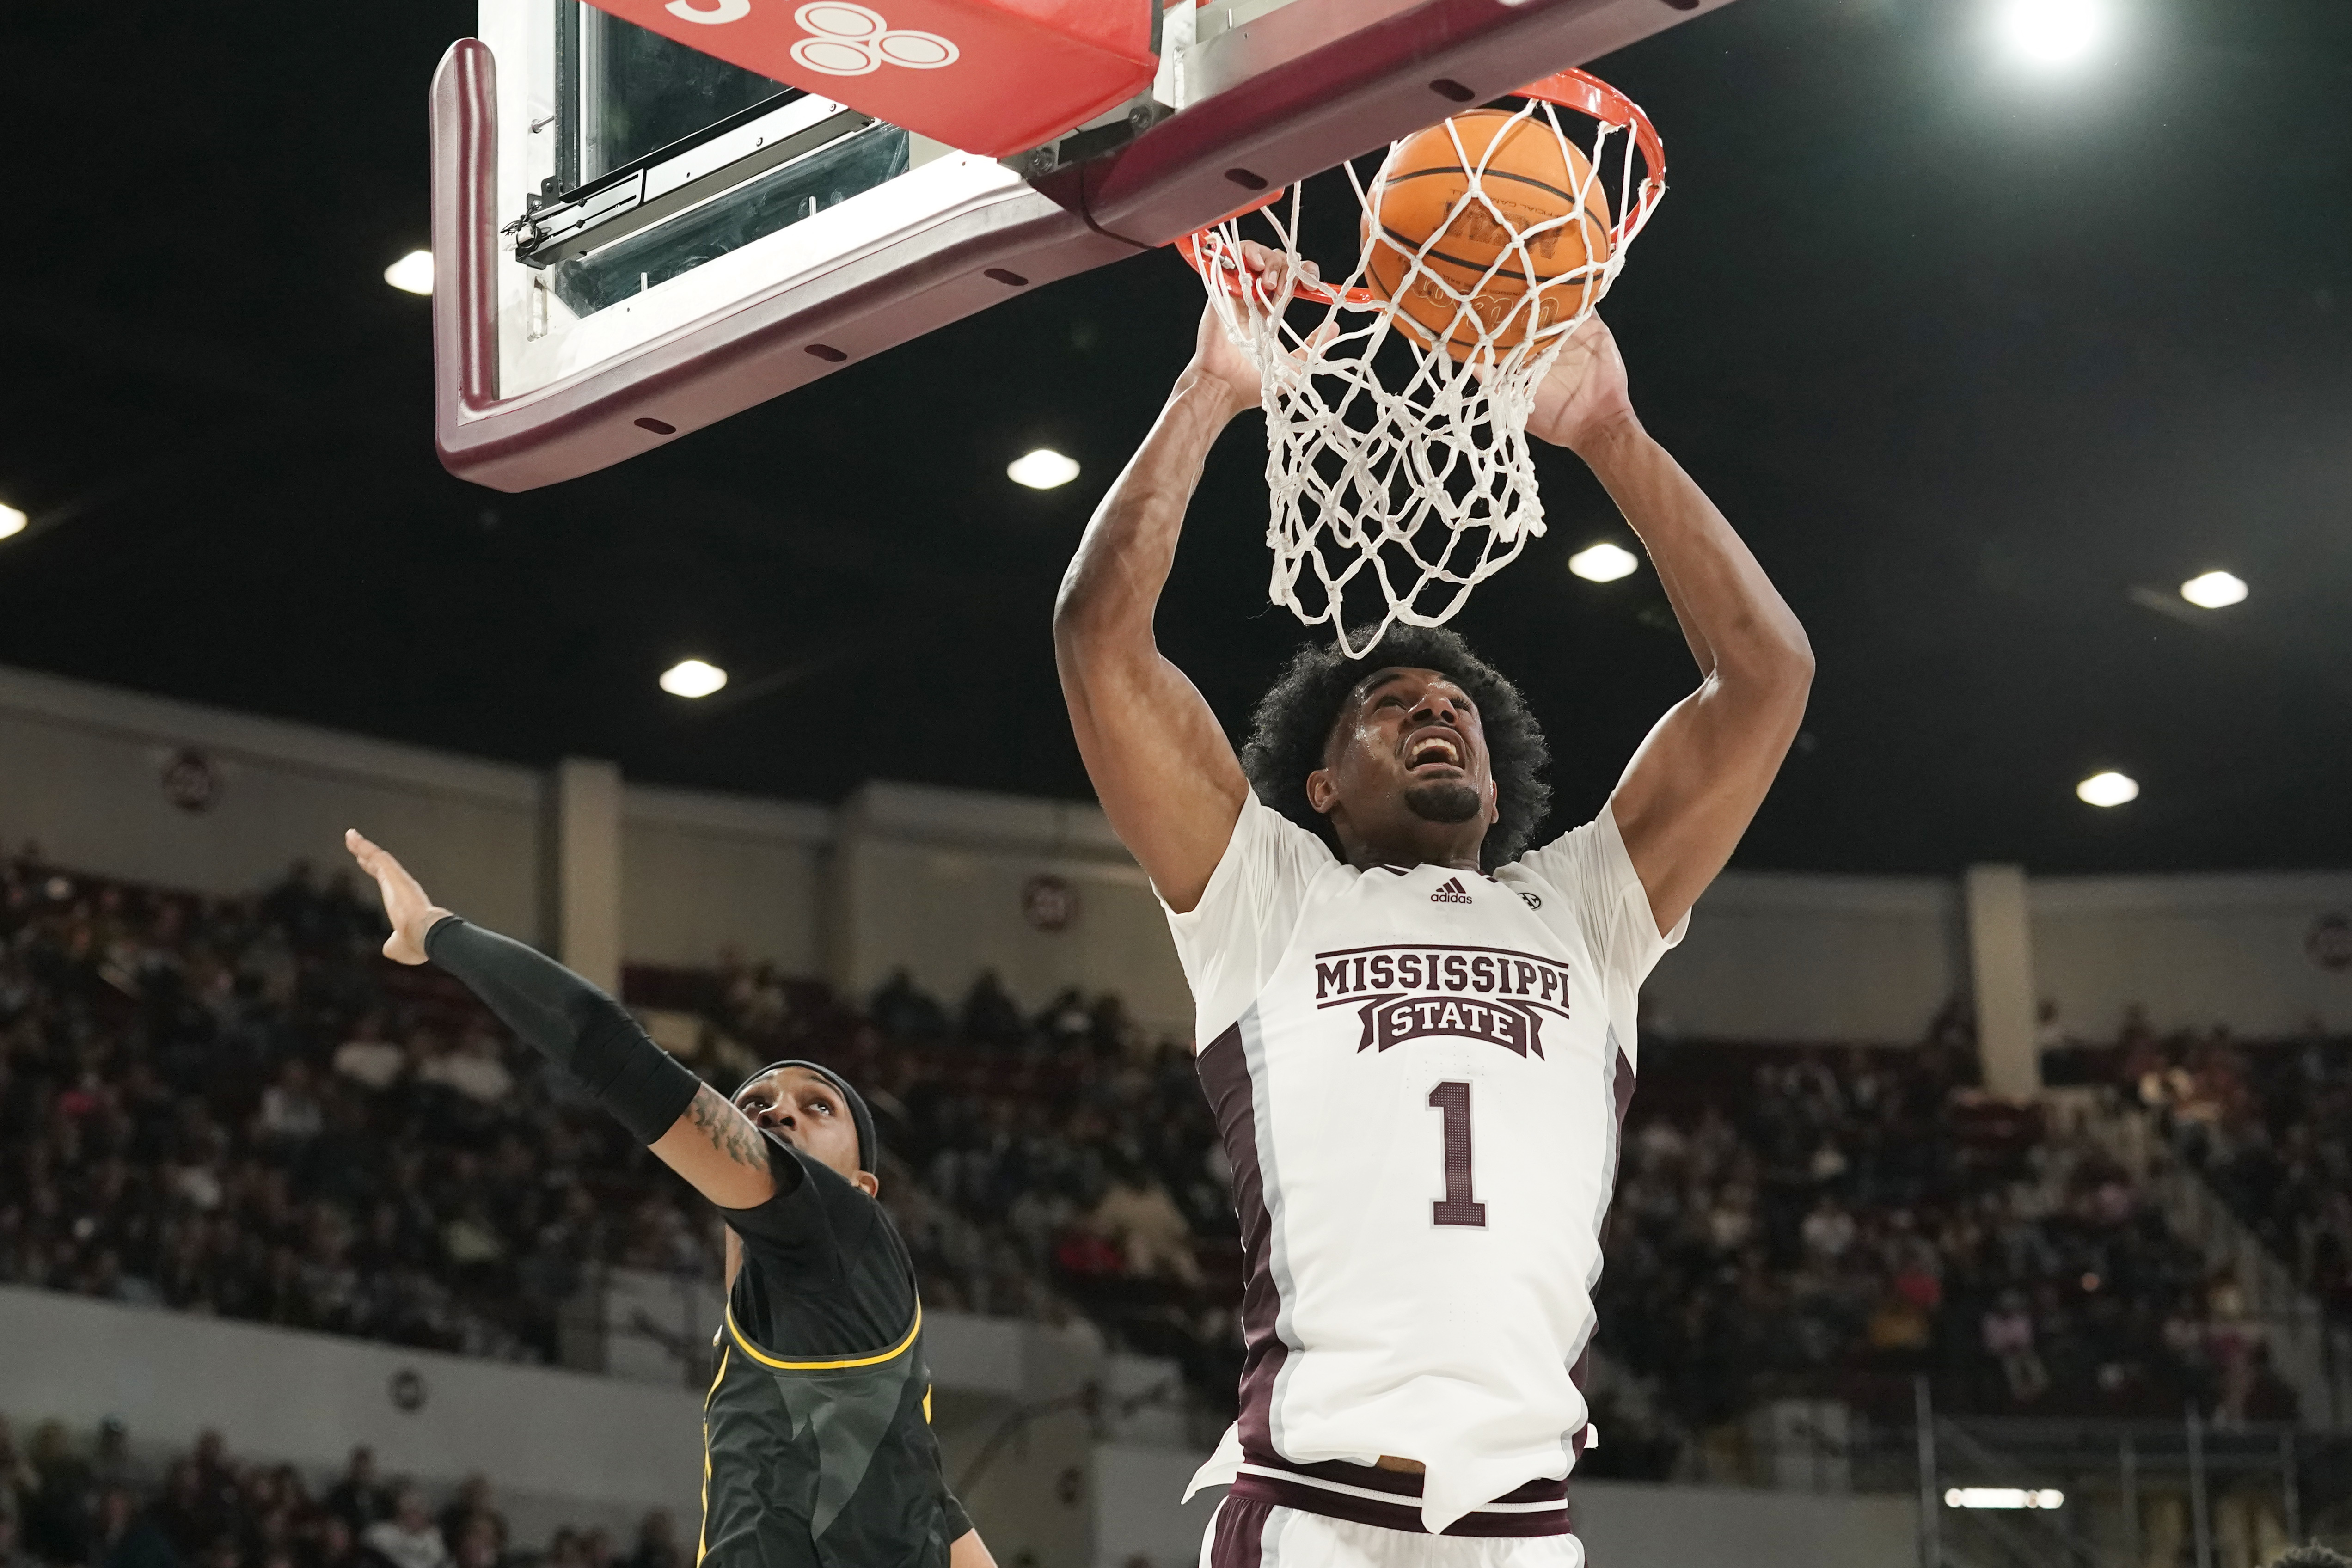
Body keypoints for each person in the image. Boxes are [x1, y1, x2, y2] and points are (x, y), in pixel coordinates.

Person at [1053, 246, 1812, 1555]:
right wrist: (1210, 388)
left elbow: (1767, 676)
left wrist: (1611, 436)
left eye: (1455, 706)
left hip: (1524, 1528)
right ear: (1322, 785)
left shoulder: (1582, 910)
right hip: (1316, 1514)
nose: (1434, 713)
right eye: (1390, 706)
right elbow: (1099, 638)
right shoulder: (1266, 894)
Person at [345, 832, 993, 1568]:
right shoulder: (843, 1351)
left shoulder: (836, 1227)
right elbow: (939, 1516)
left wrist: (434, 930)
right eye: (755, 1101)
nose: (777, 1112)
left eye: (818, 1108)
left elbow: (608, 1047)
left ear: (863, 1187)